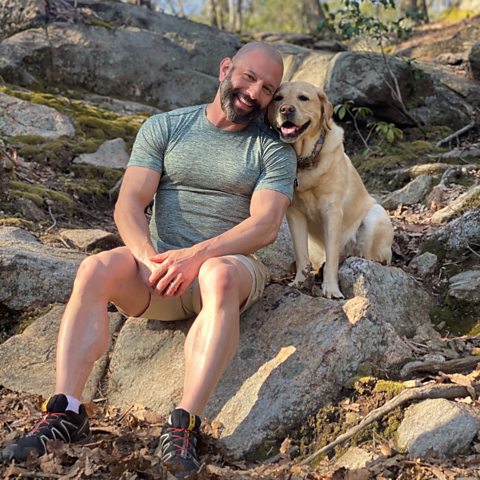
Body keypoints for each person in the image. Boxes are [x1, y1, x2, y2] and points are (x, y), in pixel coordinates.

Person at [6, 41, 296, 477]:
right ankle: (65, 413)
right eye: (249, 78)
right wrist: (150, 257)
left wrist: (194, 257)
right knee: (94, 268)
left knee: (217, 273)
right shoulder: (167, 126)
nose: (254, 93)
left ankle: (183, 425)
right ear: (225, 68)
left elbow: (265, 226)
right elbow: (129, 204)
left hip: (227, 271)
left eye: (267, 89)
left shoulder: (273, 149)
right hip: (158, 272)